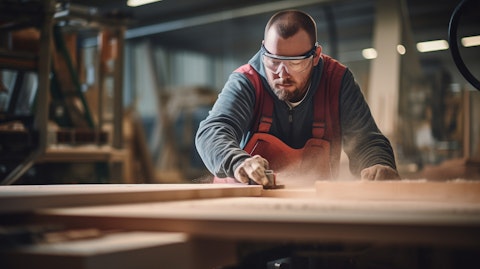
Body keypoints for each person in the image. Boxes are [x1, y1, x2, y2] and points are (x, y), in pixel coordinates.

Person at [195, 10, 400, 187]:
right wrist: (237, 161)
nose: (282, 74)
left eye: (294, 63)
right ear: (263, 49)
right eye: (273, 61)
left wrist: (378, 164)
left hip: (313, 209)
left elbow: (365, 141)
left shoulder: (338, 82)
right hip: (246, 206)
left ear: (316, 55)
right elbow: (212, 131)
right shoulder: (247, 81)